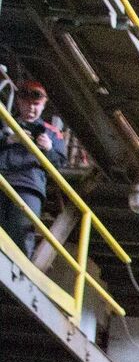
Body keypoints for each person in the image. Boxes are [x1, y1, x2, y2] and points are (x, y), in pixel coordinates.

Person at [1, 80, 68, 255]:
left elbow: (60, 162)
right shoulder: (5, 123)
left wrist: (49, 149)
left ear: (43, 105)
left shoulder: (51, 132)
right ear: (18, 102)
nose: (31, 108)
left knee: (21, 231)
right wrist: (8, 139)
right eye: (27, 103)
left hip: (28, 186)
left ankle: (20, 267)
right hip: (2, 179)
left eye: (35, 104)